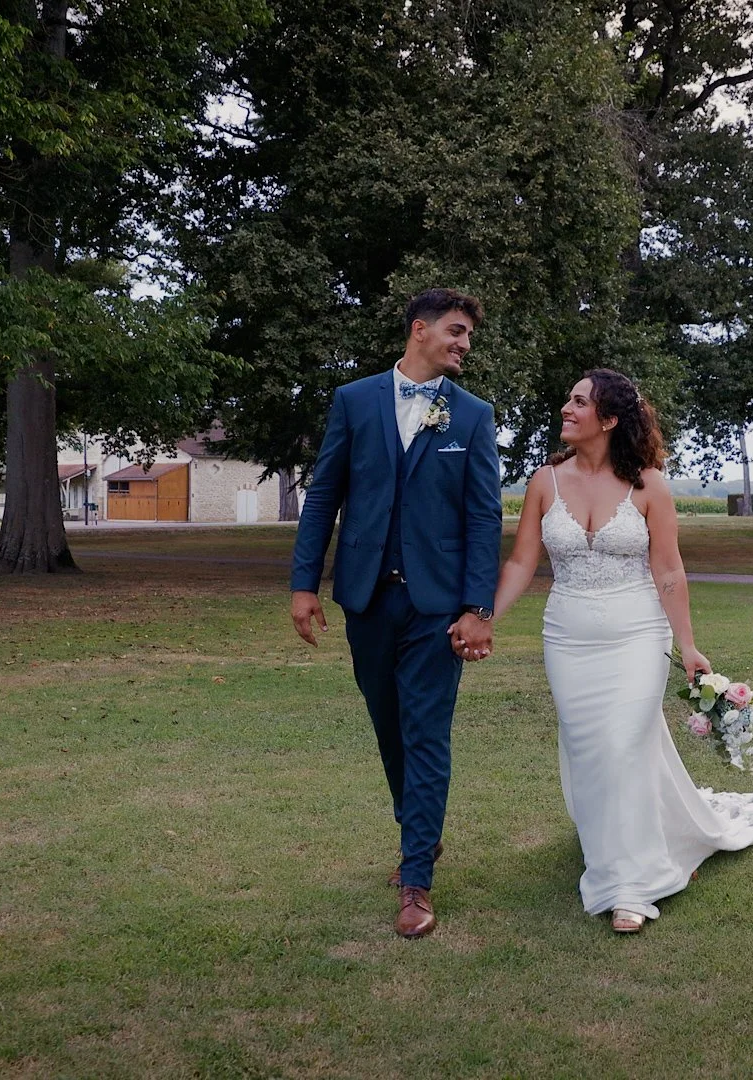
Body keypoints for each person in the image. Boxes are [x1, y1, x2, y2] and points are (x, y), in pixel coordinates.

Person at [490, 369, 753, 933]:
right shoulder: (544, 481)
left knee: (624, 743)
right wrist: (485, 619)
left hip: (637, 636)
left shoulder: (650, 485)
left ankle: (630, 885)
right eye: (569, 398)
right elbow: (522, 561)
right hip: (567, 638)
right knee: (589, 749)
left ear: (609, 420)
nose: (566, 408)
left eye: (580, 401)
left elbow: (668, 570)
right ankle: (609, 841)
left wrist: (688, 645)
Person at [289, 288, 502, 939]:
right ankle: (420, 834)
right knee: (389, 727)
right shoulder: (354, 401)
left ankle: (416, 880)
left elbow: (483, 517)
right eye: (457, 331)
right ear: (420, 330)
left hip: (437, 608)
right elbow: (324, 494)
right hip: (367, 598)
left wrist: (479, 608)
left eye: (468, 336)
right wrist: (303, 585)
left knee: (426, 732)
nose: (465, 344)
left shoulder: (472, 416)